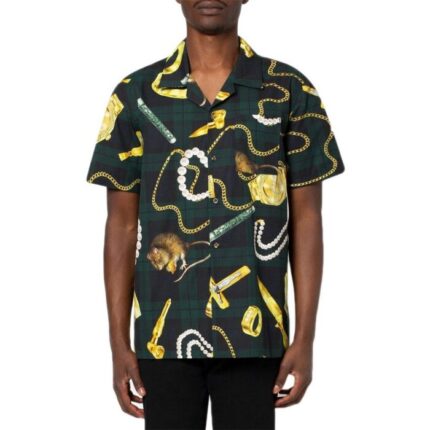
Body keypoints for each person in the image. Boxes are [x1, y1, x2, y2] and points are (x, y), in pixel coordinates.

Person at [85, 0, 345, 428]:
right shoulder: (135, 95)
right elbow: (121, 225)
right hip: (164, 338)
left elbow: (307, 220)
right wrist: (118, 343)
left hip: (256, 336)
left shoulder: (290, 91)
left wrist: (305, 338)